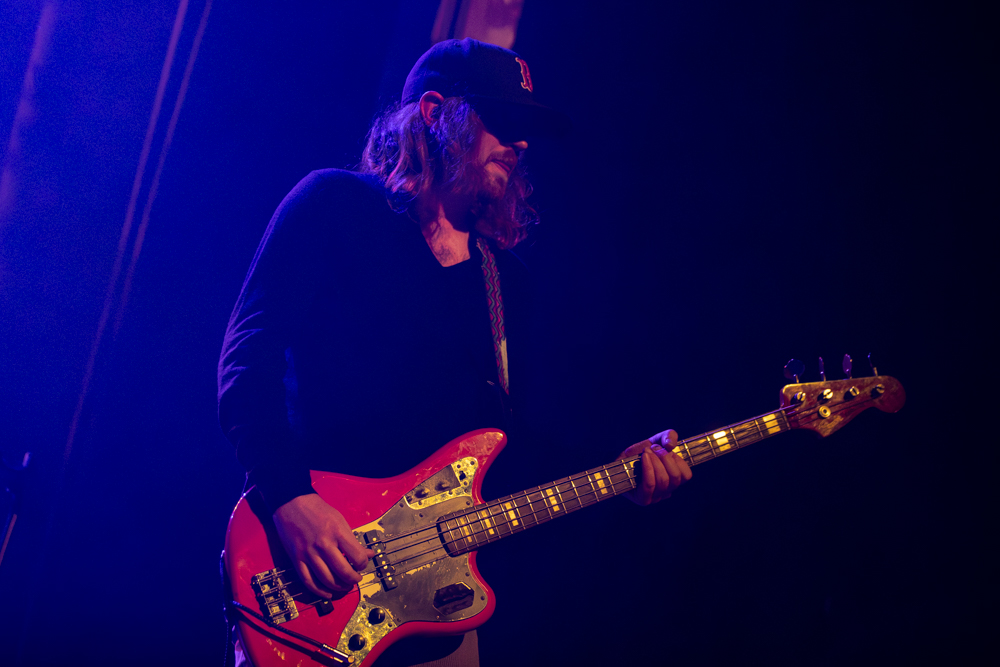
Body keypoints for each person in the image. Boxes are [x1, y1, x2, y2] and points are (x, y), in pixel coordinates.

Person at [218, 38, 691, 666]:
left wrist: (619, 472)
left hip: (437, 611)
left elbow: (509, 444)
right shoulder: (333, 206)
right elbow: (246, 364)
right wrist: (288, 499)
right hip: (314, 578)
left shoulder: (504, 281)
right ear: (434, 113)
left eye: (526, 130)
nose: (520, 143)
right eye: (502, 119)